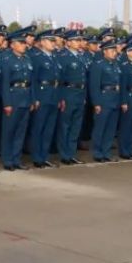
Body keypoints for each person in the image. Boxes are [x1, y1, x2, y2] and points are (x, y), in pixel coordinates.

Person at [0, 29, 35, 171]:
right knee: (9, 131)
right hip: (13, 99)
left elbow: (30, 82)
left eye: (24, 43)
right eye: (20, 43)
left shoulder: (27, 59)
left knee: (21, 131)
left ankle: (16, 159)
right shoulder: (7, 60)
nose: (24, 46)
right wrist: (7, 103)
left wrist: (32, 99)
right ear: (12, 45)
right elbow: (5, 84)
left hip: (25, 98)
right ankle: (7, 160)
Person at [28, 30, 62, 168]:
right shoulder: (36, 57)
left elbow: (58, 79)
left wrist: (59, 97)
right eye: (50, 41)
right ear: (42, 42)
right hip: (42, 95)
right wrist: (34, 98)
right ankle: (37, 157)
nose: (53, 43)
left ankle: (44, 156)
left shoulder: (54, 57)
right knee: (39, 128)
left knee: (49, 129)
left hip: (53, 95)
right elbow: (33, 79)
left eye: (54, 41)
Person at [56, 31, 89, 165]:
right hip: (68, 93)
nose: (78, 42)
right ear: (68, 42)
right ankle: (64, 154)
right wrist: (61, 97)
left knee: (76, 126)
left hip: (80, 93)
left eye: (79, 40)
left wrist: (84, 95)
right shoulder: (63, 56)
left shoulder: (81, 56)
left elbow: (84, 78)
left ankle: (71, 153)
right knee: (65, 126)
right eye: (75, 40)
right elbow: (60, 79)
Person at [89, 40, 122, 163]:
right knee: (100, 127)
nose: (114, 53)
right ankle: (98, 153)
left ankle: (106, 152)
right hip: (104, 99)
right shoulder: (99, 65)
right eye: (112, 50)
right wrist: (96, 103)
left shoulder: (115, 64)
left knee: (110, 129)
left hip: (115, 98)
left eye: (115, 50)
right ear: (105, 51)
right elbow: (94, 85)